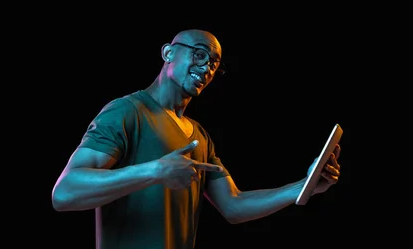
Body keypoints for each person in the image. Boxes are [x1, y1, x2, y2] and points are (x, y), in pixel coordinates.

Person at [51, 28, 342, 249]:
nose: (207, 68)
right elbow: (65, 194)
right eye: (200, 54)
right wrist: (156, 171)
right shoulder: (126, 112)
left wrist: (303, 187)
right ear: (168, 53)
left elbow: (234, 206)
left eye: (215, 64)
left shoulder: (199, 136)